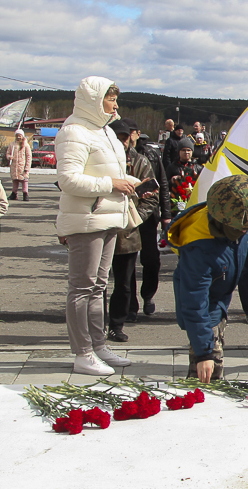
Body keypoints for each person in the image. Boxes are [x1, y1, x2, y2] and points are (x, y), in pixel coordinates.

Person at [55, 76, 138, 376]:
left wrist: (134, 184)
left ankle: (98, 346)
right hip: (86, 220)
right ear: (93, 100)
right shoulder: (74, 131)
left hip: (109, 217)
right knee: (82, 287)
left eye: (115, 100)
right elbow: (68, 179)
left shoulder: (104, 131)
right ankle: (83, 352)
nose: (115, 106)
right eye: (110, 99)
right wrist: (111, 184)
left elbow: (110, 172)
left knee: (99, 286)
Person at [169, 175, 248, 382]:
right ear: (222, 220)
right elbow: (194, 303)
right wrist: (204, 353)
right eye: (241, 228)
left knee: (212, 367)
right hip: (204, 313)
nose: (244, 231)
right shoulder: (199, 249)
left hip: (218, 304)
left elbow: (243, 240)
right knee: (208, 375)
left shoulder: (231, 223)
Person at [105, 120, 160, 343]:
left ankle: (117, 324)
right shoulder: (99, 160)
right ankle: (96, 323)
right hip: (100, 227)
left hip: (127, 231)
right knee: (97, 283)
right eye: (117, 138)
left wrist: (133, 219)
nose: (122, 142)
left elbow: (153, 196)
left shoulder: (140, 162)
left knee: (124, 282)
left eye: (125, 137)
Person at [133, 127, 170, 316]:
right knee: (126, 262)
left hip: (148, 214)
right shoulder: (114, 153)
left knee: (151, 260)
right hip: (125, 215)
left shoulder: (151, 154)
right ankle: (130, 304)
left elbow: (162, 183)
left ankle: (148, 295)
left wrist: (166, 214)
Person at [8, 129, 33, 201]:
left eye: (20, 135)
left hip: (23, 166)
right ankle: (14, 193)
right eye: (17, 135)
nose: (18, 137)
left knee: (24, 180)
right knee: (15, 180)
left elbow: (29, 157)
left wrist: (27, 167)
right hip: (14, 166)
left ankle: (25, 194)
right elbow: (8, 153)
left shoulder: (26, 145)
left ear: (22, 136)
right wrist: (9, 157)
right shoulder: (12, 145)